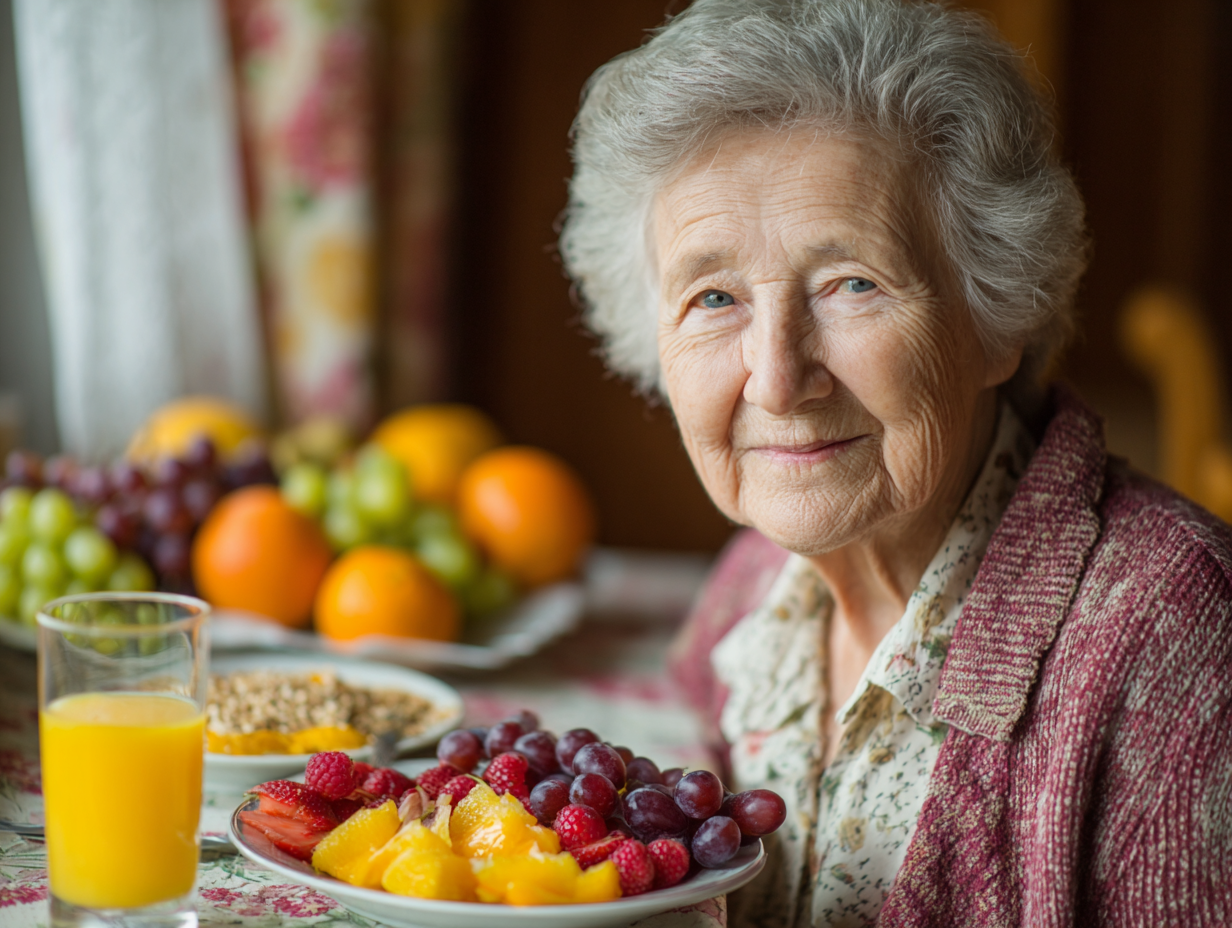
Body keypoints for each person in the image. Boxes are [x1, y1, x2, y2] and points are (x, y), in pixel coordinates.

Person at [560, 0, 1232, 925]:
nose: (779, 379)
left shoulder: (1180, 637)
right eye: (713, 297)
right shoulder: (757, 581)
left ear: (997, 320)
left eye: (852, 284)